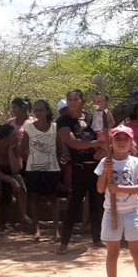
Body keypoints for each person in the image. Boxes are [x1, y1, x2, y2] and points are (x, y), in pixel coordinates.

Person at [95, 125, 138, 277]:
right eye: (117, 139)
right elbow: (99, 188)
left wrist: (120, 189)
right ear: (111, 143)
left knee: (137, 252)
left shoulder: (136, 163)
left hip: (131, 212)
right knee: (112, 253)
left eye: (125, 139)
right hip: (111, 212)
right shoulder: (106, 161)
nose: (121, 143)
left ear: (131, 143)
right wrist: (106, 170)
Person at [57, 89, 108, 253]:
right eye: (69, 99)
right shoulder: (63, 121)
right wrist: (95, 144)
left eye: (75, 99)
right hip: (78, 168)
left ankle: (97, 239)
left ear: (82, 101)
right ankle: (64, 243)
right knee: (74, 205)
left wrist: (103, 107)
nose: (72, 102)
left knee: (97, 204)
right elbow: (73, 143)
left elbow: (106, 132)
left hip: (95, 167)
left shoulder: (92, 117)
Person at [20, 100, 61, 242]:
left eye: (41, 110)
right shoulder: (29, 128)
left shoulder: (55, 127)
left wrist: (54, 160)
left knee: (53, 198)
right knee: (34, 198)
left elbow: (59, 148)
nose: (38, 113)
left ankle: (56, 230)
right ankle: (37, 229)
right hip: (33, 169)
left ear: (47, 111)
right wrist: (32, 160)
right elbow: (21, 149)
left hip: (52, 168)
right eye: (36, 110)